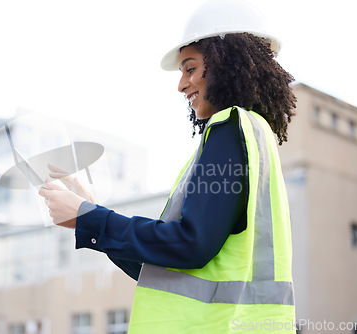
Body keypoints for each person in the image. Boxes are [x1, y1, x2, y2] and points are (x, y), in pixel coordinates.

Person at [39, 0, 297, 332]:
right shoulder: (254, 136)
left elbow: (189, 245)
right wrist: (89, 214)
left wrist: (90, 217)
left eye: (190, 69)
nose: (181, 84)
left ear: (226, 62)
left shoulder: (230, 129)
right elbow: (165, 264)